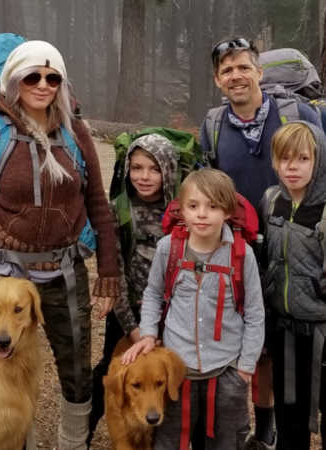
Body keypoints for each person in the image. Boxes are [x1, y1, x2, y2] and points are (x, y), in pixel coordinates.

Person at [0, 40, 119, 450]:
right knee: (6, 367)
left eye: (52, 77)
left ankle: (72, 443)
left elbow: (97, 201)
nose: (42, 85)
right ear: (14, 80)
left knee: (77, 369)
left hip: (65, 271)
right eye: (32, 76)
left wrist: (109, 273)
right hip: (6, 274)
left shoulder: (76, 134)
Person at [200, 37, 322, 450]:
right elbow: (207, 183)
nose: (236, 76)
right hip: (242, 248)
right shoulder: (213, 125)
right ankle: (268, 427)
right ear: (218, 79)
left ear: (259, 72)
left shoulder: (295, 114)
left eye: (243, 67)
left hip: (298, 242)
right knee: (259, 343)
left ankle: (288, 424)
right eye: (227, 70)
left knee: (294, 343)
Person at [122, 168, 265, 450]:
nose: (202, 214)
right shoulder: (169, 248)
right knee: (171, 439)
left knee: (226, 440)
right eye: (193, 206)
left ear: (226, 212)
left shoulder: (240, 253)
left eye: (212, 207)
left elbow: (254, 312)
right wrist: (149, 333)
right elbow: (152, 293)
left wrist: (245, 367)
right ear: (182, 210)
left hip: (227, 366)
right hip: (178, 367)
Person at [88, 133, 180, 443]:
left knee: (166, 380)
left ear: (168, 170)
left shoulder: (183, 212)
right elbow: (116, 275)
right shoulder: (118, 211)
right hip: (128, 316)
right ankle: (82, 432)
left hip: (171, 318)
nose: (144, 176)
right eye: (137, 167)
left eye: (154, 169)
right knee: (111, 373)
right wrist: (134, 330)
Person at [260, 121, 326, 450]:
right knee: (289, 416)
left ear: (318, 160)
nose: (292, 167)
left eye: (302, 158)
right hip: (283, 328)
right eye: (284, 158)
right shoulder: (271, 201)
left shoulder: (324, 209)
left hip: (321, 333)